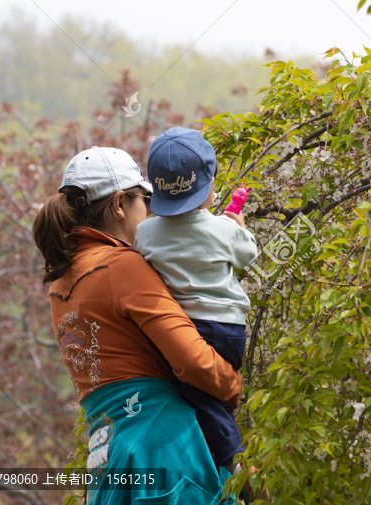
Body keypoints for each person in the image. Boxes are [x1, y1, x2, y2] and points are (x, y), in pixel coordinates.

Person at [32, 145, 243, 504]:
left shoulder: (60, 285)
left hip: (111, 457)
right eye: (144, 199)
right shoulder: (121, 266)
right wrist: (233, 386)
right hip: (165, 448)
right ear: (119, 205)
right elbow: (193, 361)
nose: (150, 210)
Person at [133, 128, 258, 477]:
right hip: (229, 329)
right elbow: (248, 255)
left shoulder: (145, 232)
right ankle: (234, 470)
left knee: (200, 400)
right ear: (210, 184)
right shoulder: (223, 229)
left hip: (182, 331)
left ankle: (230, 466)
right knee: (210, 400)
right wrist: (239, 226)